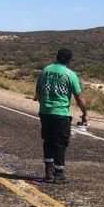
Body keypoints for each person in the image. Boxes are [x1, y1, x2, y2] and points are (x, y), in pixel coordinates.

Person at [35, 48, 88, 183]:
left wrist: (43, 104)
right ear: (69, 60)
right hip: (61, 114)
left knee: (48, 140)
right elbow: (79, 96)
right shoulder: (70, 74)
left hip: (45, 112)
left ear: (57, 57)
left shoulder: (45, 71)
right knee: (60, 143)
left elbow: (38, 90)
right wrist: (84, 113)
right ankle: (59, 174)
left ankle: (49, 171)